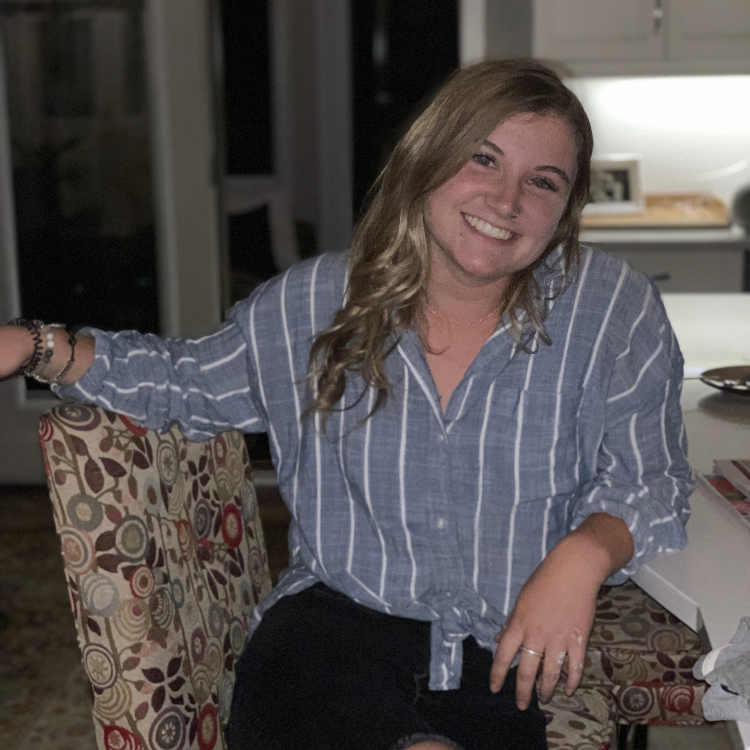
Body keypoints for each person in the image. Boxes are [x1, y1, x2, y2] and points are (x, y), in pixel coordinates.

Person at [0, 59, 693, 750]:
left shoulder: (612, 310)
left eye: (543, 182)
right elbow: (182, 381)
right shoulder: (314, 304)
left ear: (567, 209)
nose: (506, 200)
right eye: (483, 159)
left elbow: (654, 481)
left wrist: (582, 555)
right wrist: (35, 345)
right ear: (426, 157)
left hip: (502, 656)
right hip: (328, 641)